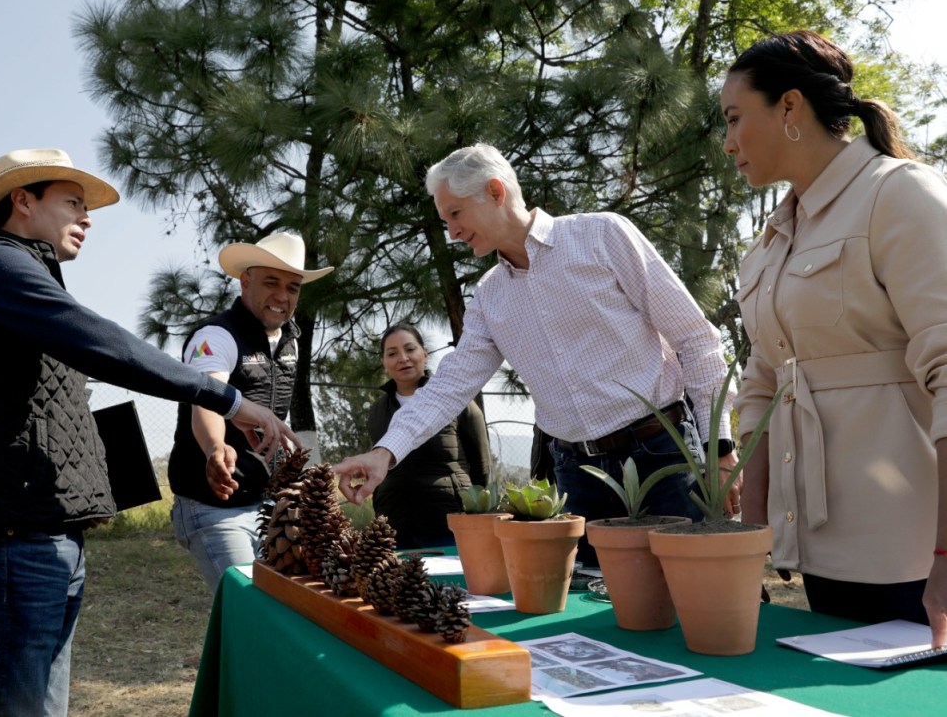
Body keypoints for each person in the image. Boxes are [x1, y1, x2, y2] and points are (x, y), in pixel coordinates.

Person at [0, 148, 301, 717]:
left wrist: (87, 491)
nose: (88, 216)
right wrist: (227, 400)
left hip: (43, 535)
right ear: (23, 201)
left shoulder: (18, 282)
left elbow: (43, 411)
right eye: (73, 201)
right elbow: (100, 343)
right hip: (9, 541)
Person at [330, 143, 738, 563]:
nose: (451, 231)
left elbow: (695, 337)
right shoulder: (489, 298)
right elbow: (447, 386)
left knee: (686, 589)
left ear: (494, 191)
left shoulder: (602, 236)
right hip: (577, 477)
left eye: (455, 213)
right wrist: (384, 454)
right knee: (592, 609)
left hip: (662, 459)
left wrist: (719, 447)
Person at [723, 30, 947, 644]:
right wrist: (750, 543)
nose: (728, 143)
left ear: (790, 107)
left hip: (915, 557)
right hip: (824, 553)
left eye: (736, 118)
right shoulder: (766, 248)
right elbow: (763, 385)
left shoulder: (900, 194)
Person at [168, 232, 333, 591]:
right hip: (212, 504)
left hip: (270, 505)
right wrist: (215, 448)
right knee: (249, 605)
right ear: (245, 281)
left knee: (288, 607)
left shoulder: (291, 339)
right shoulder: (216, 336)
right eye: (271, 282)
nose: (282, 296)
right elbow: (206, 399)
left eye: (293, 287)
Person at [367, 323, 491, 548]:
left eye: (410, 349)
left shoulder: (457, 401)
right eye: (392, 353)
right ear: (384, 363)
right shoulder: (377, 412)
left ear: (424, 353)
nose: (403, 358)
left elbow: (481, 466)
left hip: (448, 527)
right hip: (395, 527)